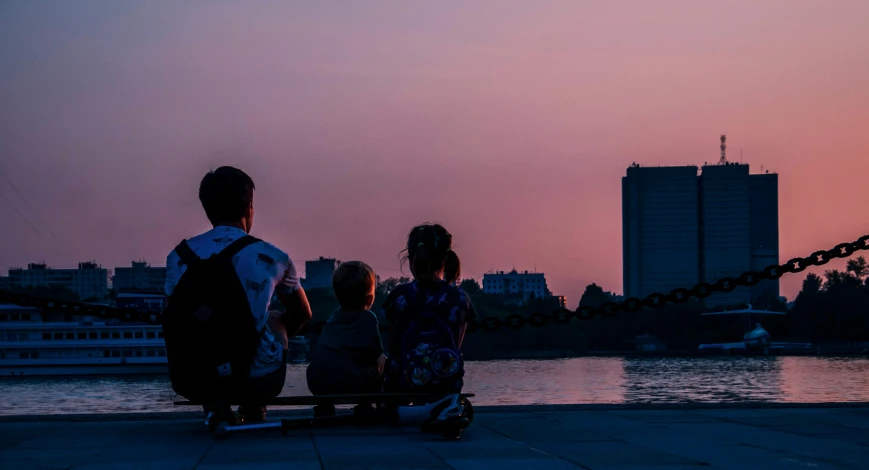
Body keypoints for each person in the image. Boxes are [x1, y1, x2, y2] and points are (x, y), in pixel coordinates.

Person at [163, 166, 312, 424]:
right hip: (256, 377)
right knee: (274, 317)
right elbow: (303, 313)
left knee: (201, 327)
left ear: (207, 208)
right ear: (249, 206)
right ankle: (255, 406)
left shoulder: (177, 257)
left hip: (192, 379)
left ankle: (214, 406)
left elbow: (173, 316)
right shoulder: (272, 257)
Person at [382, 224, 476, 397]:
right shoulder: (460, 298)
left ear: (411, 260)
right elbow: (457, 342)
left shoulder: (398, 297)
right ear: (446, 260)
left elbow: (393, 343)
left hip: (401, 382)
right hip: (446, 381)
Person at [306, 261, 386, 416]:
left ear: (337, 296)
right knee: (382, 360)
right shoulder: (368, 318)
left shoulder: (334, 316)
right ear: (370, 299)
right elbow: (376, 352)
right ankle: (366, 404)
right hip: (352, 383)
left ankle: (324, 406)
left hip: (319, 383)